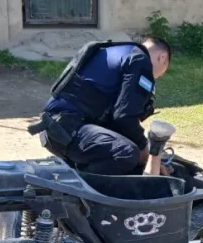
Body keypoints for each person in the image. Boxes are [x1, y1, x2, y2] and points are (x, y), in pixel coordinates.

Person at [40, 38, 172, 176]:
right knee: (126, 153)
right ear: (162, 58)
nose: (157, 77)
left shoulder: (116, 50)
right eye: (162, 73)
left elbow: (115, 116)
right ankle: (83, 187)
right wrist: (146, 152)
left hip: (56, 128)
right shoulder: (140, 61)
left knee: (128, 151)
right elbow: (124, 117)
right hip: (69, 131)